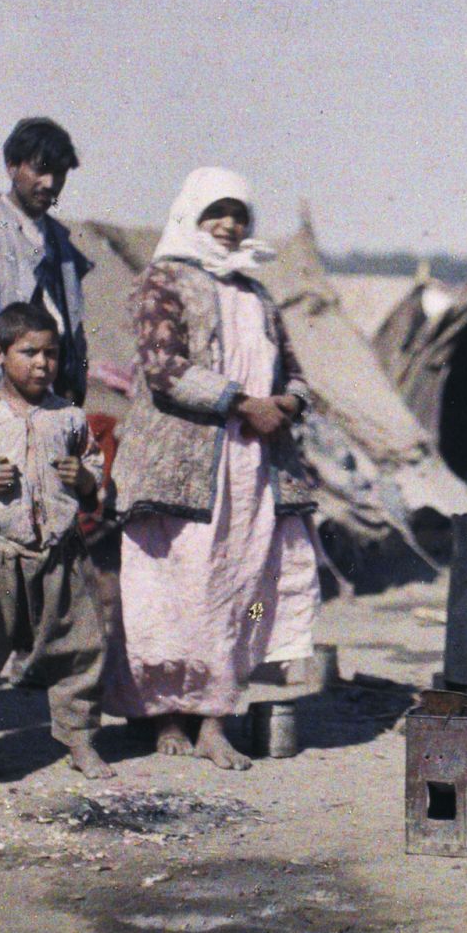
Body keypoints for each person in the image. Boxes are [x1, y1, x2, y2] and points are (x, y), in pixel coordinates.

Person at [106, 169, 322, 770]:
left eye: (238, 215)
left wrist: (288, 403)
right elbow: (163, 368)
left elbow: (296, 374)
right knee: (176, 587)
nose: (228, 226)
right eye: (216, 214)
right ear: (192, 216)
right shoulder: (163, 280)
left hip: (252, 470)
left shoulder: (258, 294)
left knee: (246, 590)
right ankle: (167, 714)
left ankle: (215, 717)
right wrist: (240, 401)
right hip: (184, 469)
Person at [0, 303, 113, 780]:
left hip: (62, 551)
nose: (42, 364)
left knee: (80, 647)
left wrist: (83, 478)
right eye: (29, 352)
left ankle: (79, 739)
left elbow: (95, 472)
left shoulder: (70, 417)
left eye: (52, 354)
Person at [0, 116, 92, 410]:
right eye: (40, 169)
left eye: (59, 173)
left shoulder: (63, 247)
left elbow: (74, 337)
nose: (50, 183)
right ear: (12, 166)